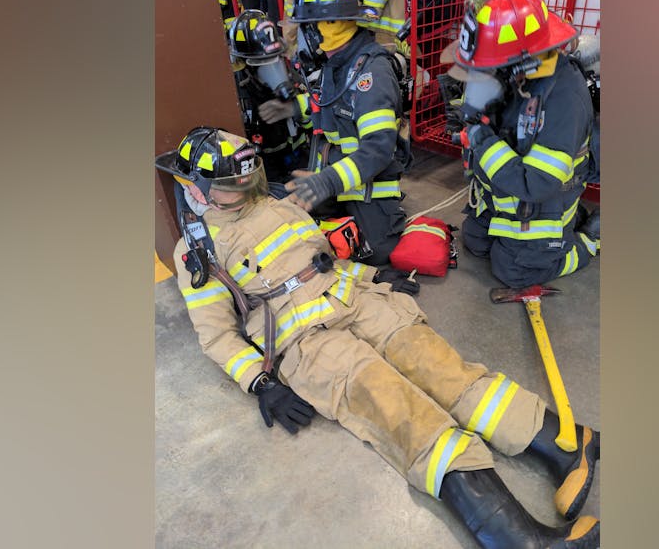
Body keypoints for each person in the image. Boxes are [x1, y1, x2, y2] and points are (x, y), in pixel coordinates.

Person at [157, 126, 601, 549]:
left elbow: (322, 259)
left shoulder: (275, 201)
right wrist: (259, 381)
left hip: (358, 299)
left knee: (443, 369)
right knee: (402, 413)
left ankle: (567, 443)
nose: (246, 184)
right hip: (309, 343)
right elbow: (216, 334)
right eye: (233, 181)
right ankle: (518, 539)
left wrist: (374, 274)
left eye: (246, 175)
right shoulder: (197, 248)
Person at [453, 0, 601, 289]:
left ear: (524, 60)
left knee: (515, 272)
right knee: (476, 243)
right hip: (506, 192)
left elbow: (536, 183)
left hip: (543, 193)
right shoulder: (521, 75)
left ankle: (586, 241)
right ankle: (560, 232)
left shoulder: (564, 98)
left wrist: (481, 139)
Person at [259, 0, 409, 266]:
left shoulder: (371, 72)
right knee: (284, 209)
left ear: (324, 27)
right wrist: (296, 108)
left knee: (375, 251)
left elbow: (378, 150)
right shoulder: (338, 62)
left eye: (307, 27)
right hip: (336, 173)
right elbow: (334, 104)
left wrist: (327, 182)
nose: (304, 36)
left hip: (369, 182)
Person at [226, 9, 309, 184]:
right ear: (242, 64)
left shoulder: (291, 77)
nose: (274, 69)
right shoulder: (236, 92)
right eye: (262, 64)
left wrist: (295, 108)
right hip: (263, 169)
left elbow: (319, 114)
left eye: (276, 59)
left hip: (300, 157)